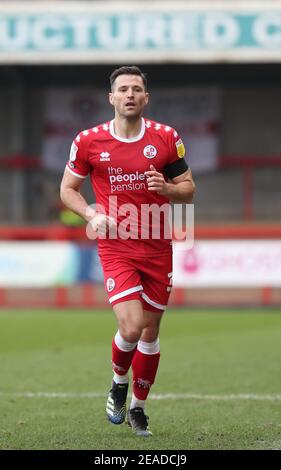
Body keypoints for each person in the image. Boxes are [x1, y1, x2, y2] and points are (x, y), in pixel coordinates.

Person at [60, 66, 195, 437]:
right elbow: (68, 189)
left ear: (145, 98)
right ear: (112, 98)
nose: (130, 94)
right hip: (116, 246)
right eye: (123, 89)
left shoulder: (166, 138)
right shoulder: (88, 141)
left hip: (157, 247)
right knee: (132, 325)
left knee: (150, 333)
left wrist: (167, 190)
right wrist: (89, 212)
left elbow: (188, 188)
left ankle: (138, 407)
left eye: (137, 88)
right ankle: (119, 382)